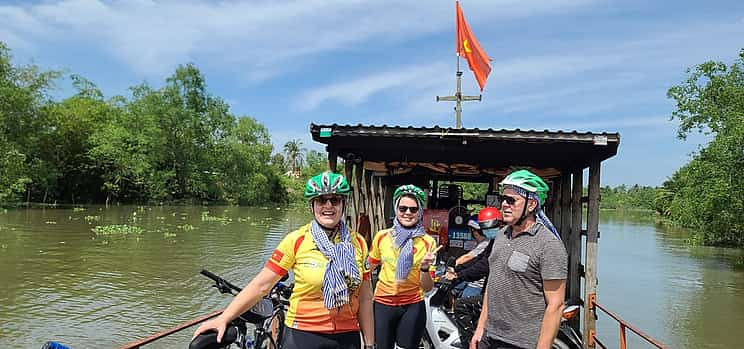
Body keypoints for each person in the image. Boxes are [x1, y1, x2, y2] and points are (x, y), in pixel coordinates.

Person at [193, 172, 375, 349]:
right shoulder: (297, 240)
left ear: (343, 204)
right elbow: (261, 285)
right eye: (321, 200)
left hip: (347, 336)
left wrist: (369, 343)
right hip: (303, 334)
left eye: (335, 200)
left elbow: (365, 297)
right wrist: (224, 318)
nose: (328, 206)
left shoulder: (357, 242)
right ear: (312, 205)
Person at [471, 170, 568, 349]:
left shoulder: (548, 245)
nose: (504, 205)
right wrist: (480, 329)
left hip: (521, 343)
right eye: (503, 200)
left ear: (531, 205)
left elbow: (555, 305)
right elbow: (492, 285)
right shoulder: (501, 236)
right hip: (489, 336)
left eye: (511, 200)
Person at [367, 184, 439, 349]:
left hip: (412, 304)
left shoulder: (428, 242)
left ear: (420, 212)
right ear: (396, 208)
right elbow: (367, 269)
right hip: (383, 303)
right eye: (403, 208)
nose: (407, 213)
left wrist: (425, 269)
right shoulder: (382, 237)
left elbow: (427, 288)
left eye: (413, 209)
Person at [448, 207, 503, 348]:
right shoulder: (494, 241)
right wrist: (457, 270)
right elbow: (479, 259)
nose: (485, 231)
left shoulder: (502, 241)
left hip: (499, 296)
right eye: (483, 228)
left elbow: (484, 266)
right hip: (490, 290)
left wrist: (458, 276)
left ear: (499, 224)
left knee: (461, 305)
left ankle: (470, 344)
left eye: (488, 227)